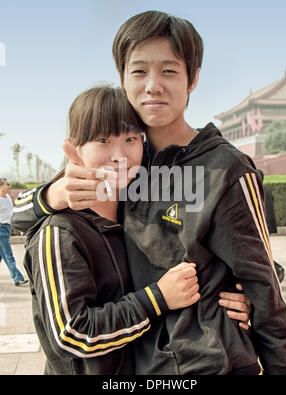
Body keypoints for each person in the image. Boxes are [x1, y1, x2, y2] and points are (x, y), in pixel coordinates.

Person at [12, 11, 286, 375]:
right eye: (139, 71)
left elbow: (263, 279)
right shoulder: (127, 163)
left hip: (209, 363)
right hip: (143, 364)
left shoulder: (224, 169)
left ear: (192, 79)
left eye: (169, 71)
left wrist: (251, 299)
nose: (152, 86)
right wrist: (53, 195)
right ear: (123, 78)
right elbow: (23, 217)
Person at [22, 85, 202, 375]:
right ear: (74, 150)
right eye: (103, 140)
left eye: (130, 138)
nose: (119, 155)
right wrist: (156, 298)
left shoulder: (138, 215)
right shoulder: (60, 231)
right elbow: (72, 335)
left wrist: (232, 298)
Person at [257, 169, 285, 282]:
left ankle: (275, 270)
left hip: (260, 223)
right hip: (270, 223)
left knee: (261, 249)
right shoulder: (268, 190)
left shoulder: (255, 190)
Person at [0, 178, 28, 286]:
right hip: (0, 229)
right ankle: (18, 278)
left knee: (2, 255)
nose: (9, 186)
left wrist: (18, 227)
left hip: (7, 228)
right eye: (7, 184)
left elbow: (11, 215)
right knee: (8, 255)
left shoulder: (7, 197)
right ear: (1, 186)